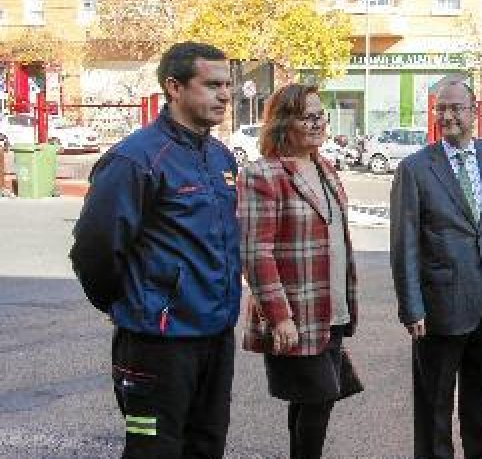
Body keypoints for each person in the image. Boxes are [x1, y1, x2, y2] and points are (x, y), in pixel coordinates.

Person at [69, 41, 240, 459]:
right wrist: (130, 306)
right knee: (154, 452)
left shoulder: (220, 157)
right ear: (174, 87)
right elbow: (93, 250)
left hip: (215, 336)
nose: (224, 95)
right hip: (157, 344)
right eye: (212, 84)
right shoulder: (136, 158)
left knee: (206, 447)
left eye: (228, 86)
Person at [390, 76, 482, 459]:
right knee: (434, 410)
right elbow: (403, 243)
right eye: (440, 108)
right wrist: (411, 307)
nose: (447, 115)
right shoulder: (414, 168)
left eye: (455, 108)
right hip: (437, 310)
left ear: (473, 112)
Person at [238, 83, 361, 459]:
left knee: (313, 400)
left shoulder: (324, 167)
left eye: (320, 115)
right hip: (296, 314)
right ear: (282, 122)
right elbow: (255, 252)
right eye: (307, 117)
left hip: (331, 309)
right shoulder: (263, 174)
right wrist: (279, 318)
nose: (317, 123)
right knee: (319, 396)